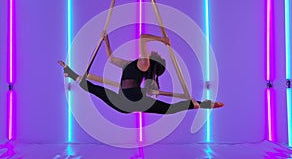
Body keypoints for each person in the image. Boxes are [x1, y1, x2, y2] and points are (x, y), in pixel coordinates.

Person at [58, 32, 223, 114]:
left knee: (168, 108)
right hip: (122, 103)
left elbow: (143, 37)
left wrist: (162, 40)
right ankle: (70, 73)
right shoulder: (129, 64)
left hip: (134, 101)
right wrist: (107, 43)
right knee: (94, 89)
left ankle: (204, 104)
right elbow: (111, 59)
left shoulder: (144, 63)